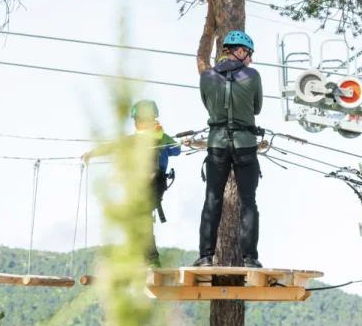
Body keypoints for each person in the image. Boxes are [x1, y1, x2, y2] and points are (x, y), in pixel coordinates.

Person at [82, 100, 182, 267]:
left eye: (136, 120)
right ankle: (146, 257)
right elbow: (177, 150)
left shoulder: (133, 140)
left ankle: (150, 259)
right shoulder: (163, 137)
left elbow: (112, 147)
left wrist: (91, 154)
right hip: (158, 184)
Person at [196, 30, 264, 268]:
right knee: (248, 201)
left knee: (212, 199)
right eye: (249, 54)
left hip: (216, 144)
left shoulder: (206, 76)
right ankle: (250, 258)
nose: (251, 59)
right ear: (240, 51)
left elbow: (208, 105)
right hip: (245, 144)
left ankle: (205, 256)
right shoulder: (253, 76)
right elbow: (256, 109)